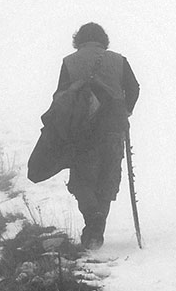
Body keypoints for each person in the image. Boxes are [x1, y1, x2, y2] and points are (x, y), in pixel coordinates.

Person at [46, 22, 139, 249]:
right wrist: (125, 110)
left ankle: (93, 226)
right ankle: (95, 231)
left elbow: (60, 96)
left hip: (81, 130)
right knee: (107, 179)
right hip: (113, 129)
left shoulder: (69, 61)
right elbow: (134, 88)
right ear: (103, 39)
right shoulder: (119, 60)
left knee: (82, 180)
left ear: (78, 40)